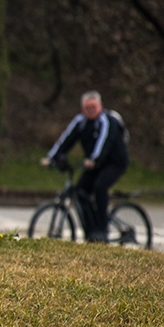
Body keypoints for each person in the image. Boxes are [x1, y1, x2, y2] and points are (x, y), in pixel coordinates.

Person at [40, 91, 129, 242]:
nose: (91, 110)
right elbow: (66, 139)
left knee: (100, 186)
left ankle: (102, 229)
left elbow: (104, 142)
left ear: (100, 106)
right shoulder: (80, 121)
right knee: (80, 191)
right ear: (82, 109)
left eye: (94, 107)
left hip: (115, 162)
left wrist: (94, 159)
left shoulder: (107, 121)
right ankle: (91, 231)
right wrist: (52, 157)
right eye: (87, 107)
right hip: (94, 164)